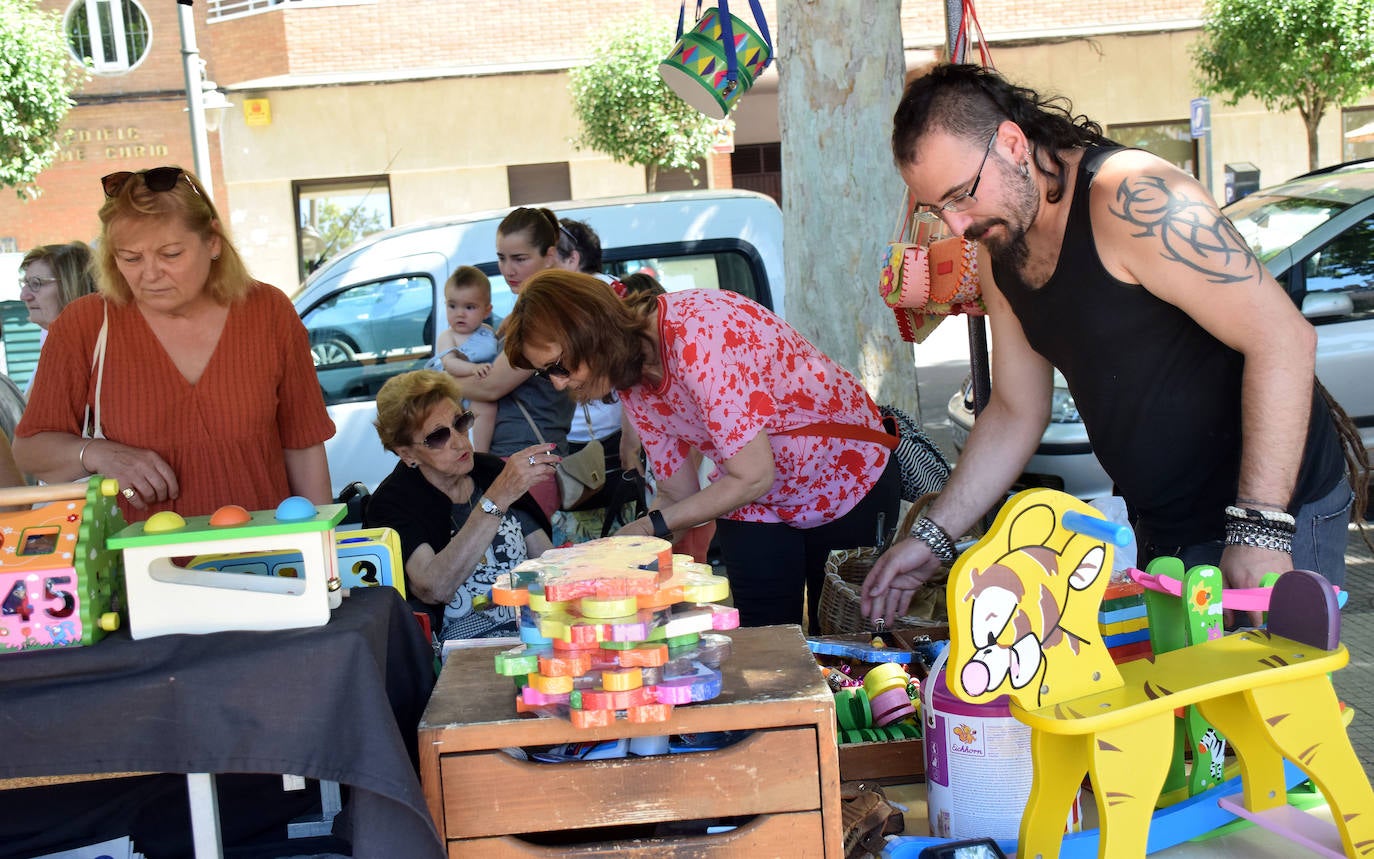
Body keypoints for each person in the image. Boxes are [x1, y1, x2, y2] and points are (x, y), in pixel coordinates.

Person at [862, 64, 1349, 629]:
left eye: (961, 195)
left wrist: (1261, 528)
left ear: (1014, 144)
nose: (956, 223)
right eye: (935, 209)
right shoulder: (1001, 250)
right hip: (1166, 524)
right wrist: (933, 537)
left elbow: (1284, 339)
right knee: (1183, 710)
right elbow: (1017, 409)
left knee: (1276, 713)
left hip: (1275, 510)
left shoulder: (1135, 199)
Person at [501, 269, 902, 633]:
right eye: (544, 373)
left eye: (557, 367)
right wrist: (619, 556)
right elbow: (678, 495)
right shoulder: (631, 380)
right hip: (757, 496)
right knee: (767, 647)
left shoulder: (695, 336)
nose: (556, 384)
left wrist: (647, 528)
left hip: (843, 477)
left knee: (848, 640)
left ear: (587, 333)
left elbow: (753, 474)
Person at [13, 166, 335, 520]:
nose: (149, 274)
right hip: (138, 570)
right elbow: (30, 450)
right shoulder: (85, 324)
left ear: (213, 241)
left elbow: (303, 447)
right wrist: (100, 454)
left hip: (270, 564)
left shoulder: (268, 310)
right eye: (130, 258)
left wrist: (323, 549)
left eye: (170, 254)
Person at [364, 369, 556, 640]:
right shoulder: (392, 503)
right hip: (458, 652)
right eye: (438, 437)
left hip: (534, 632)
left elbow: (546, 560)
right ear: (407, 454)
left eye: (460, 422)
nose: (458, 441)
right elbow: (433, 587)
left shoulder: (488, 469)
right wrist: (497, 498)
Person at [453, 207, 573, 520]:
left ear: (549, 254)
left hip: (529, 460)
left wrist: (442, 382)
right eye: (502, 258)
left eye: (520, 259)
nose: (509, 269)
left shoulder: (544, 314)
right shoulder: (526, 309)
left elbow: (492, 386)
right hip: (519, 458)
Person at [428, 266, 500, 451]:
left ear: (487, 310)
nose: (460, 313)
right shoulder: (448, 336)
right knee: (485, 409)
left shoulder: (488, 332)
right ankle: (480, 453)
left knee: (488, 409)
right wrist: (473, 369)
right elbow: (449, 364)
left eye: (469, 307)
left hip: (484, 387)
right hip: (460, 394)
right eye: (452, 306)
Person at [18, 241, 99, 393]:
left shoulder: (89, 356)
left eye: (36, 284)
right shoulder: (55, 348)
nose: (24, 296)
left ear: (71, 286)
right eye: (25, 284)